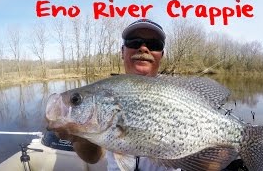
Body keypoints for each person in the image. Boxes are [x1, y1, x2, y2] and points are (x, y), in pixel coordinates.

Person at [50, 19, 178, 171]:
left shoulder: (179, 94)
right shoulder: (105, 91)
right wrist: (78, 137)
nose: (143, 48)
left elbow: (206, 165)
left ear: (161, 54)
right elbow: (93, 158)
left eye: (154, 44)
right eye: (134, 42)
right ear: (122, 51)